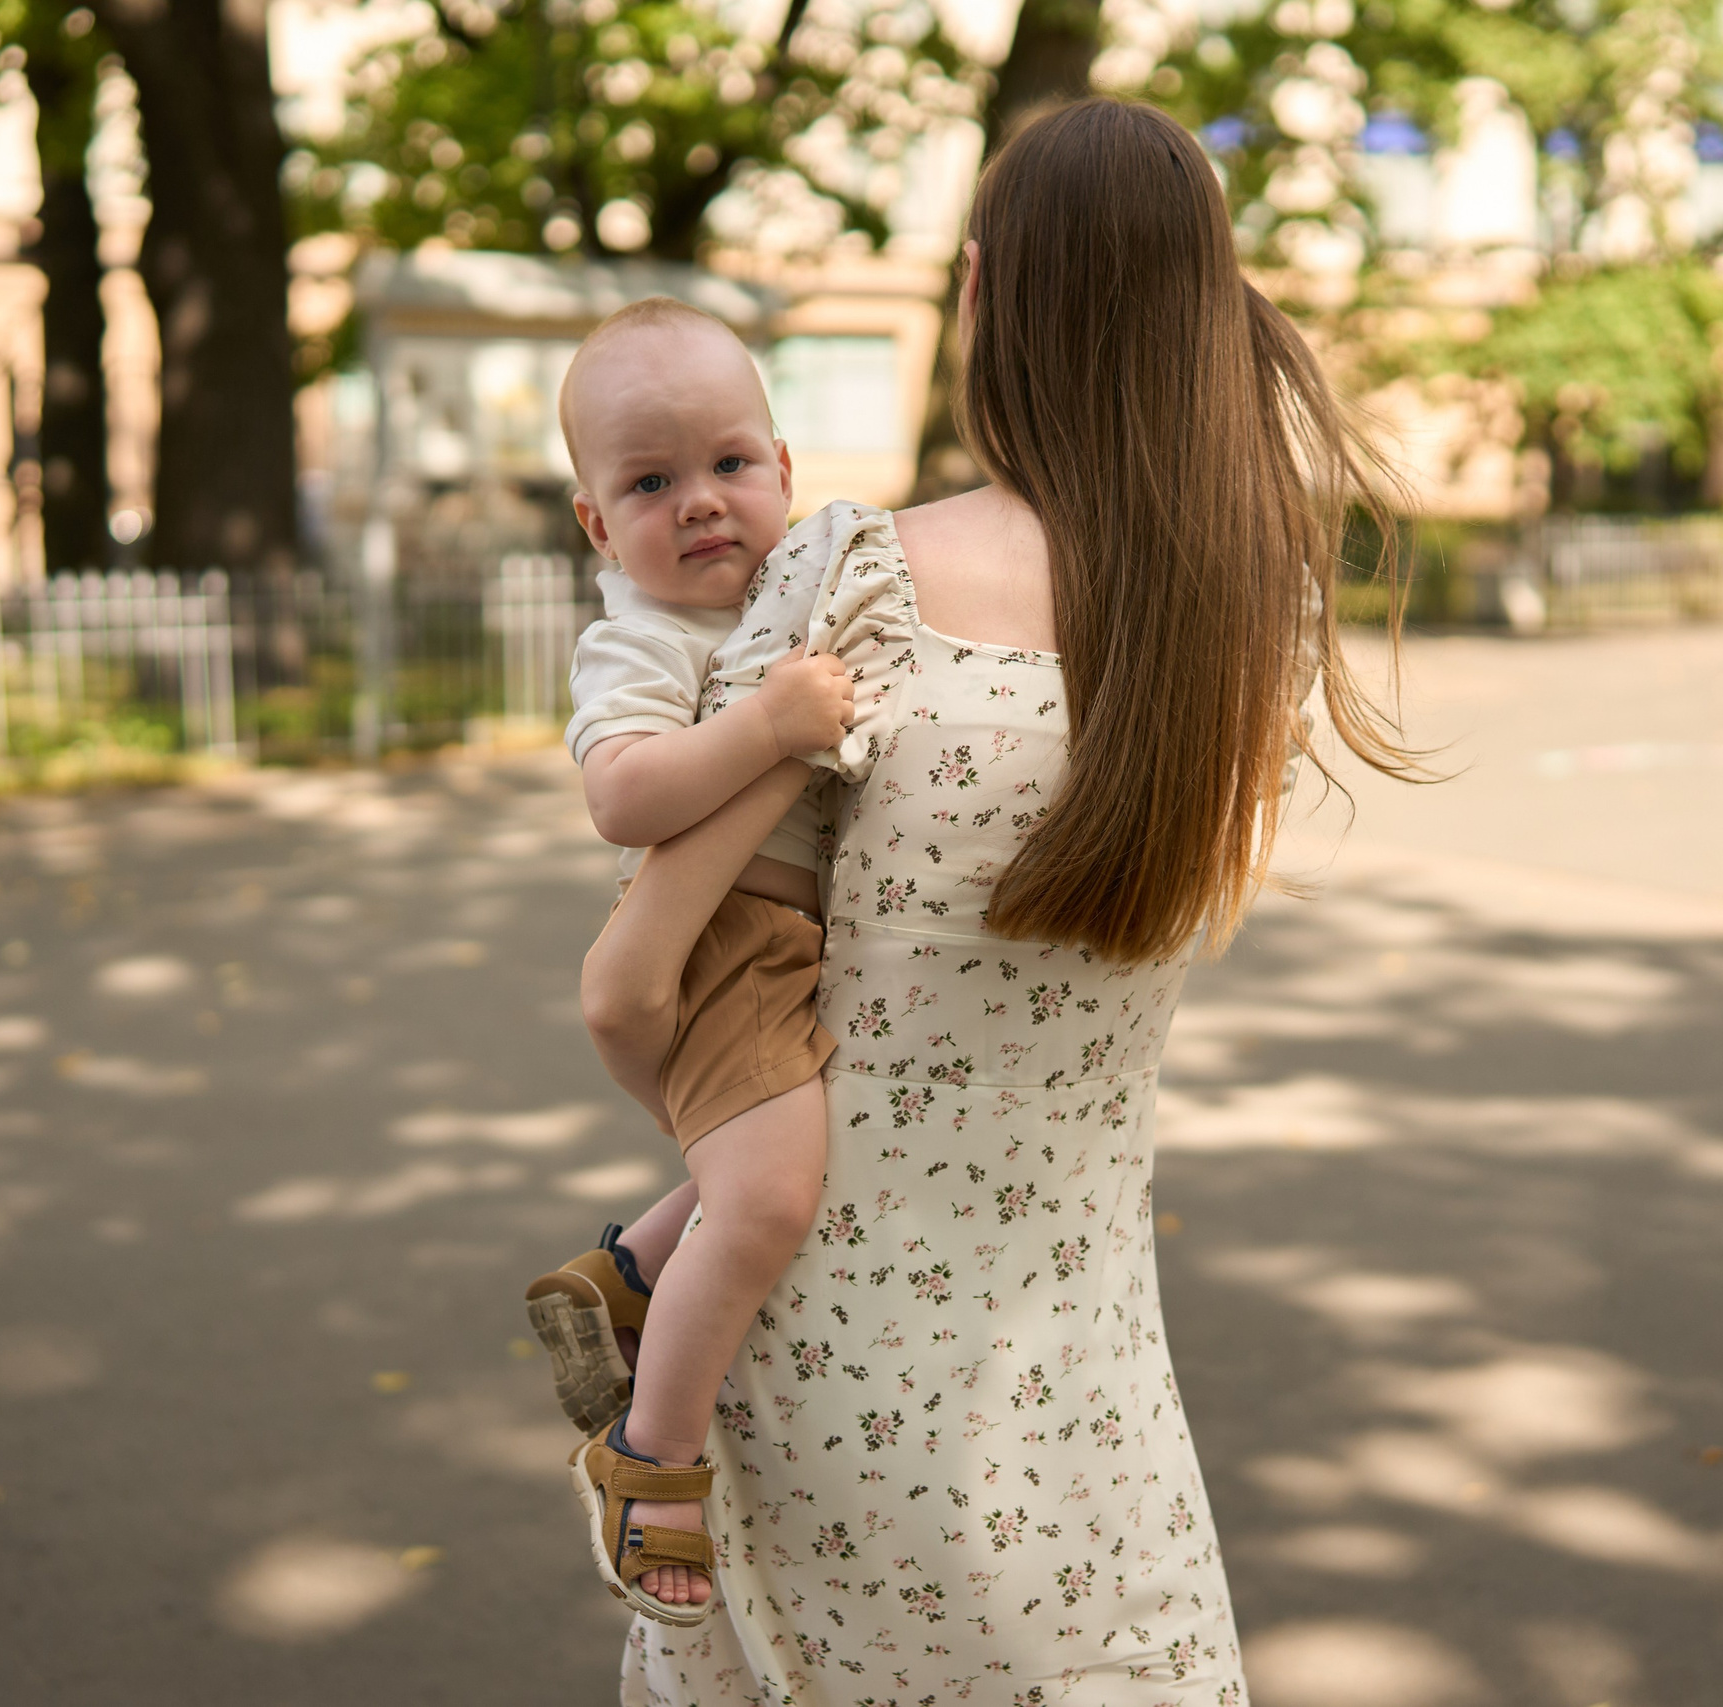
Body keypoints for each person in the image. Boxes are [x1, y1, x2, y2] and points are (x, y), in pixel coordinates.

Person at [586, 99, 1419, 1701]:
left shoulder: (853, 582)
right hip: (1088, 1393)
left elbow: (637, 981)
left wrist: (689, 1195)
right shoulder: (1255, 628)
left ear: (982, 295)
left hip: (829, 1357)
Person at [517, 298, 870, 1629]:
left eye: (731, 465)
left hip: (793, 939)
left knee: (776, 1160)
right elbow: (624, 796)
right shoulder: (639, 637)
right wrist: (772, 723)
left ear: (785, 468)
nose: (704, 505)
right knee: (773, 1200)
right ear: (601, 529)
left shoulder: (804, 581)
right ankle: (646, 1454)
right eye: (652, 484)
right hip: (723, 945)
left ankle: (624, 1277)